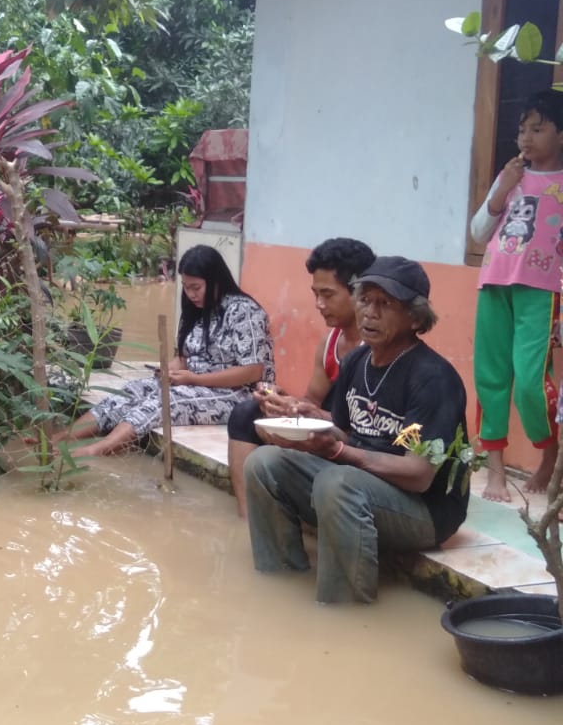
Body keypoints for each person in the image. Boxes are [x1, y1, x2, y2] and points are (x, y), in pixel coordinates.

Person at [243, 257, 469, 604]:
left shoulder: (432, 378)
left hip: (425, 509)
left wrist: (337, 452)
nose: (370, 312)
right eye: (365, 300)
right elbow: (349, 433)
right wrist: (306, 417)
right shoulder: (357, 362)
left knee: (338, 482)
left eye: (385, 304)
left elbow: (420, 474)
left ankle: (343, 607)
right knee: (265, 463)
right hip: (365, 487)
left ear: (414, 316)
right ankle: (279, 583)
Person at [64, 244, 274, 456]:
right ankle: (61, 438)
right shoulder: (199, 310)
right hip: (196, 383)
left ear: (216, 281)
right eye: (186, 287)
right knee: (132, 390)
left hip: (239, 395)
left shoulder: (244, 311)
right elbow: (184, 359)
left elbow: (253, 371)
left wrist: (193, 379)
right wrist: (167, 371)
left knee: (165, 400)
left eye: (196, 287)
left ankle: (95, 451)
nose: (190, 294)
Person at [227, 237, 375, 514]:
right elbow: (312, 400)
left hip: (356, 439)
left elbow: (368, 425)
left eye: (328, 294)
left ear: (359, 292)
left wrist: (313, 416)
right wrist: (283, 402)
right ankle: (247, 519)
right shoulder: (330, 342)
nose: (318, 304)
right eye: (315, 293)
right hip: (329, 424)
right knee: (246, 414)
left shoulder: (378, 349)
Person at [470, 89, 563, 501]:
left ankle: (549, 452)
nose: (526, 137)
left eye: (538, 129)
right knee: (491, 376)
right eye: (522, 129)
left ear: (560, 135)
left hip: (543, 291)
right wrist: (499, 191)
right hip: (494, 281)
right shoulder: (511, 176)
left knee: (529, 382)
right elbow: (478, 233)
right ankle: (494, 471)